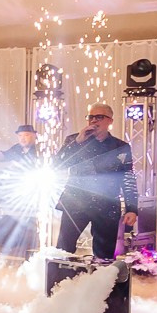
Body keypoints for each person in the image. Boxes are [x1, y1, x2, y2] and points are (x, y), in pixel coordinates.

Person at [54, 104, 138, 259]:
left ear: (110, 121)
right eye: (90, 117)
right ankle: (60, 280)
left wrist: (132, 208)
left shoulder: (120, 146)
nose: (93, 121)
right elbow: (58, 164)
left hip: (106, 204)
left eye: (99, 117)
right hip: (75, 201)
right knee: (64, 249)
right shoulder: (74, 140)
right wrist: (78, 142)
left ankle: (100, 282)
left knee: (104, 255)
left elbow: (127, 177)